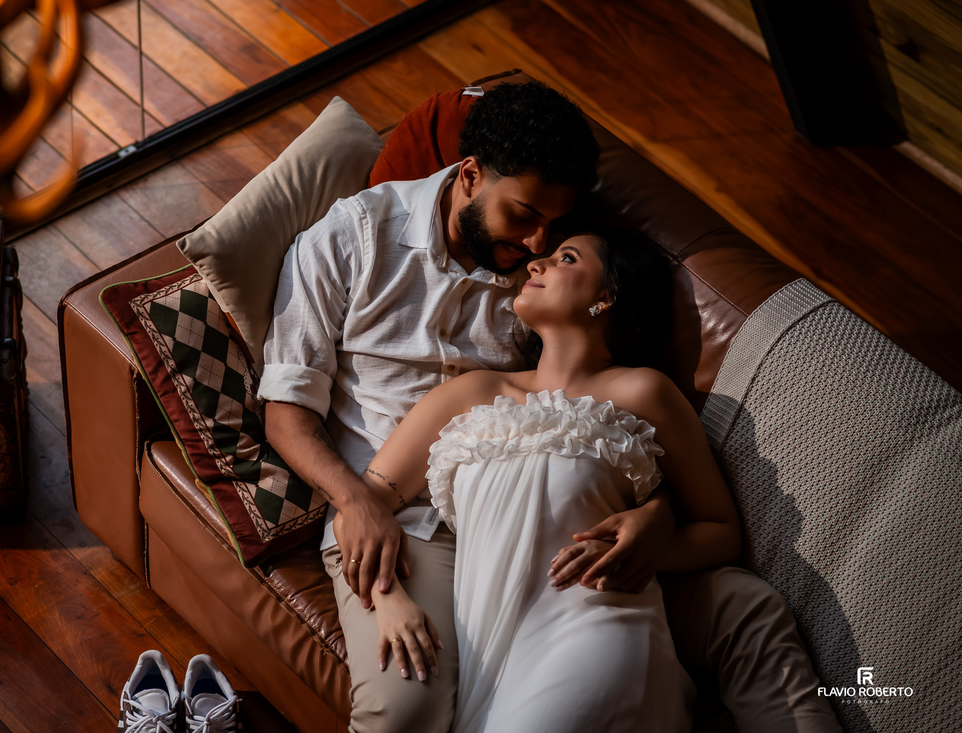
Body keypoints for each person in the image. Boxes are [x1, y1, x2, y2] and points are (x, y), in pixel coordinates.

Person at [259, 82, 677, 732]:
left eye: (554, 226)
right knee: (411, 704)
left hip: (523, 515)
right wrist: (358, 502)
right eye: (523, 214)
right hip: (400, 522)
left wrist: (657, 512)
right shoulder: (352, 238)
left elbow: (596, 408)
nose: (539, 243)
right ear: (470, 174)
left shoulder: (541, 282)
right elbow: (286, 414)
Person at [362, 224, 731, 733]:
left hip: (599, 632)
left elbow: (721, 529)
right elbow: (365, 504)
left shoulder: (644, 391)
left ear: (607, 296)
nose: (534, 263)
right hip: (488, 657)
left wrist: (653, 544)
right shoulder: (471, 393)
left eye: (566, 258)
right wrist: (387, 598)